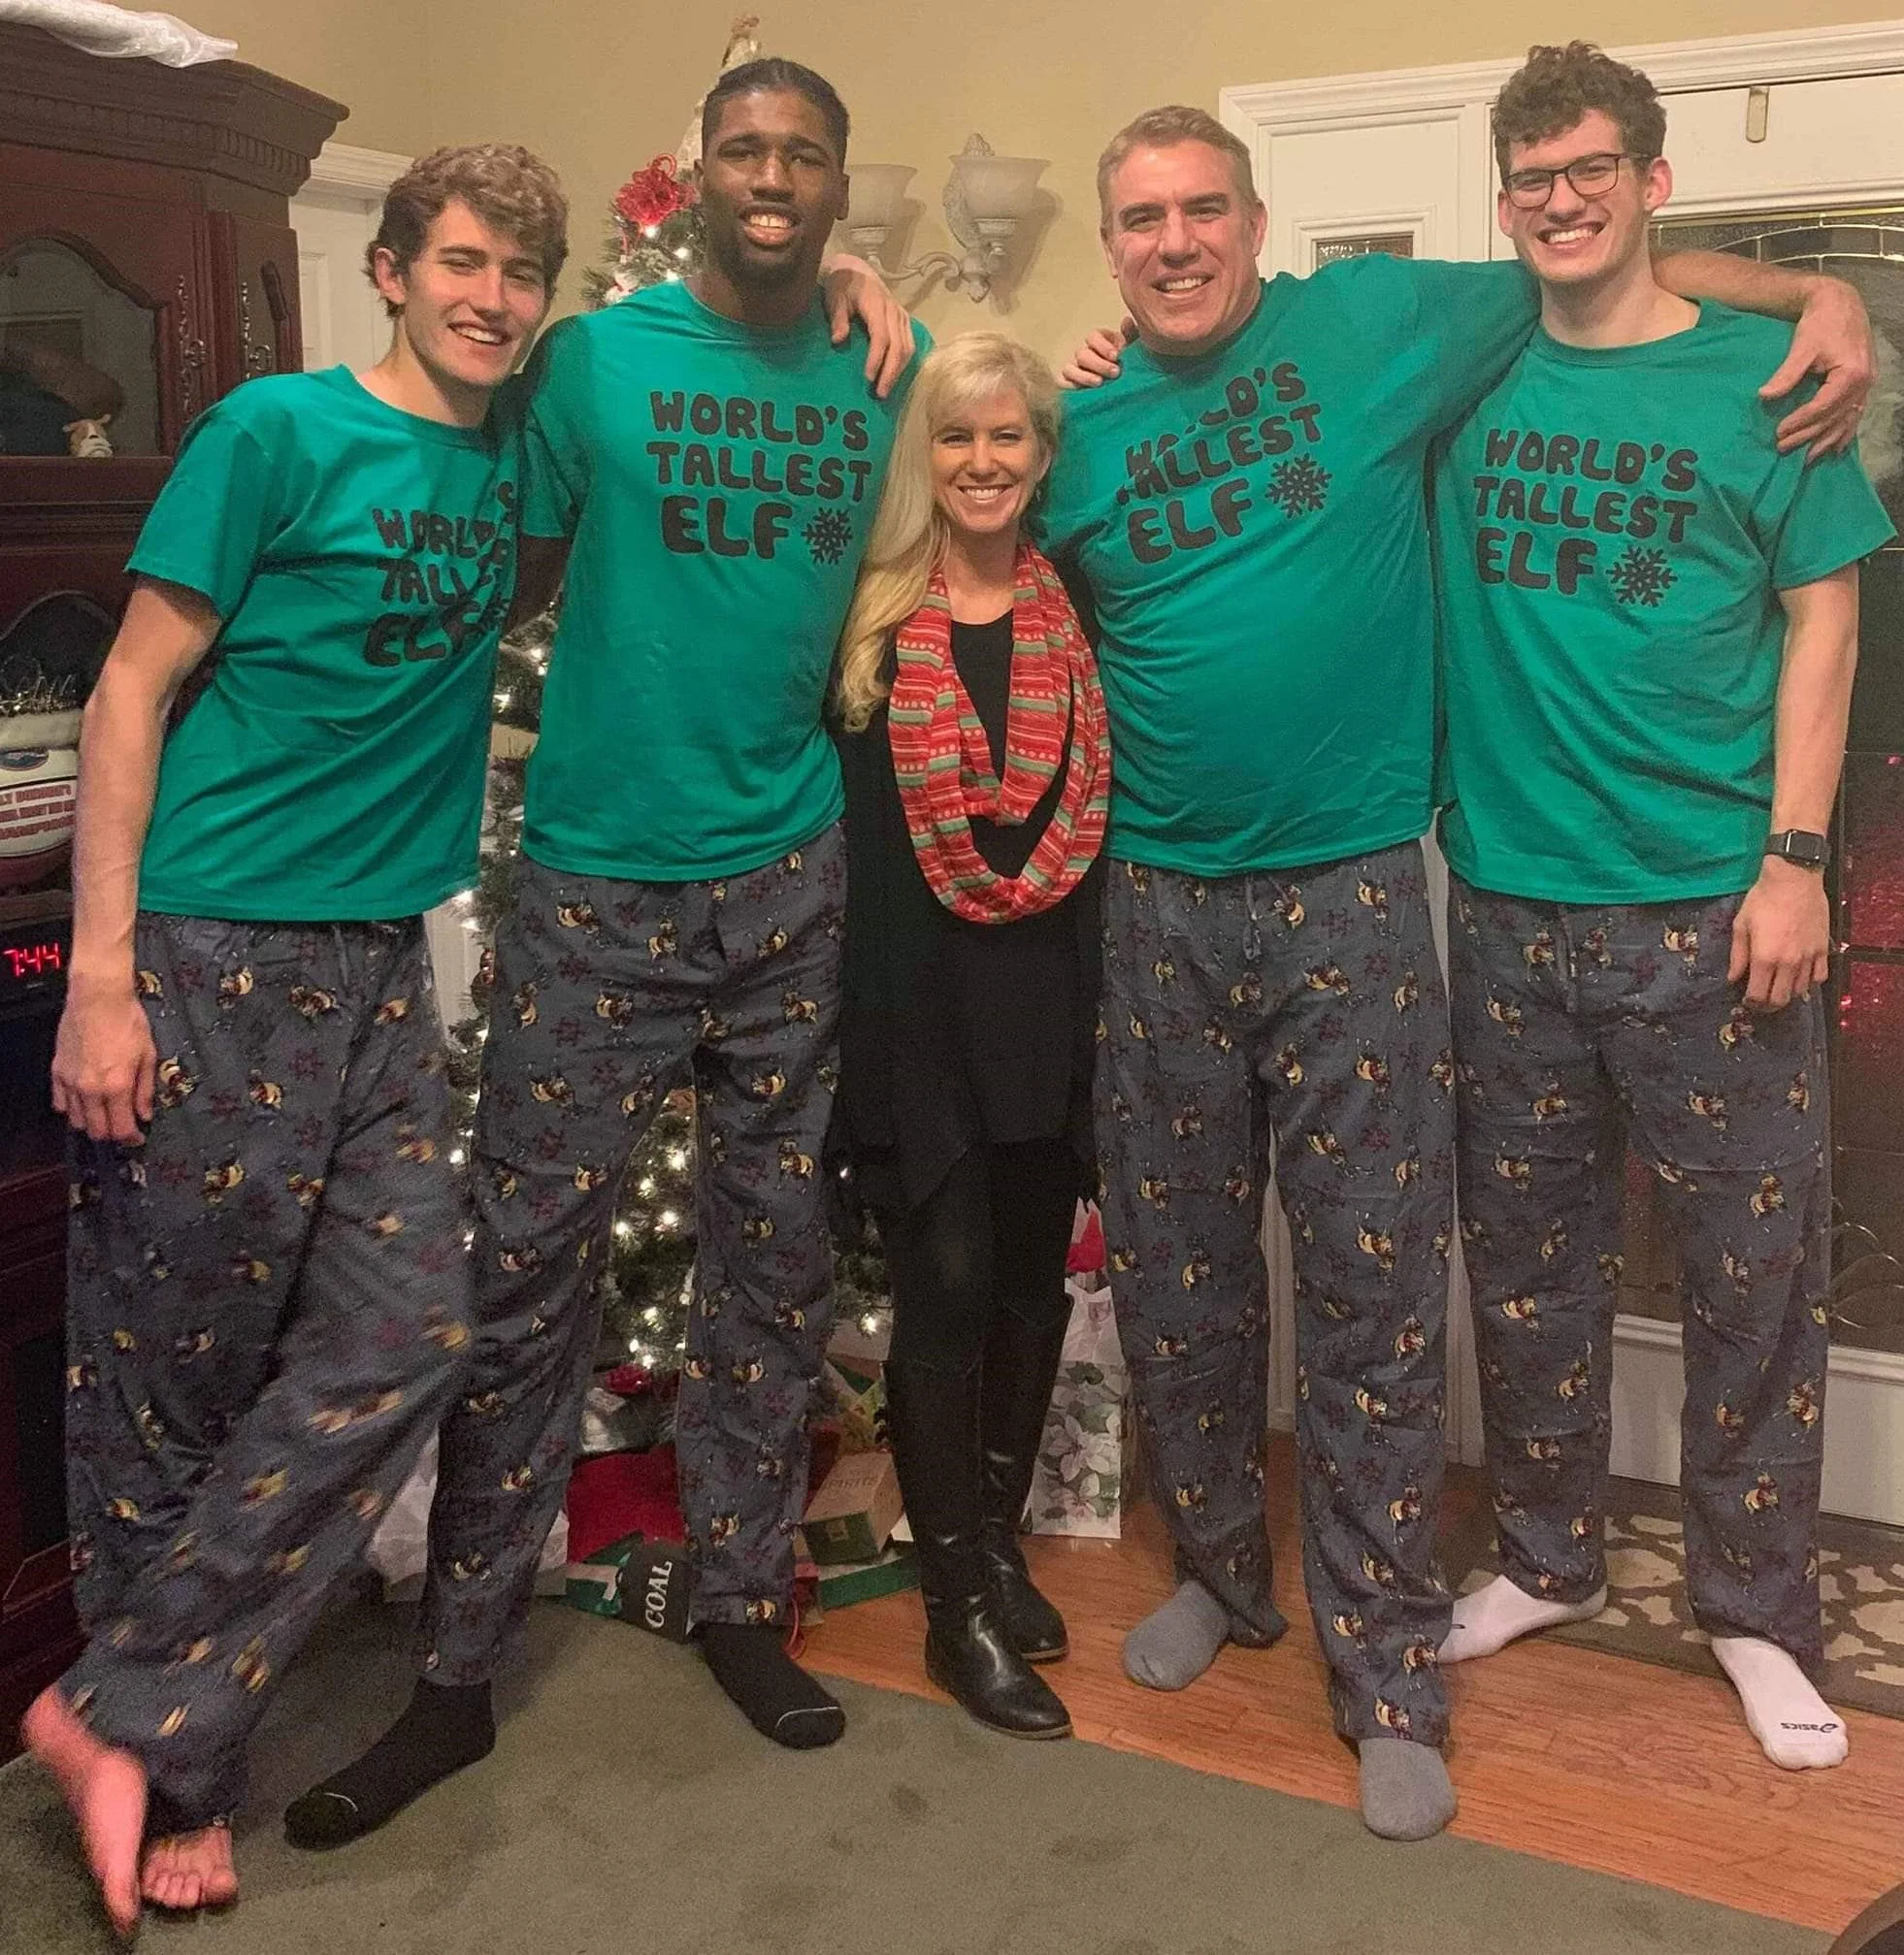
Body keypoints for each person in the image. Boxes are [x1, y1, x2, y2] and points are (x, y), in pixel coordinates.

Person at [1045, 105, 1873, 1840]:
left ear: (1259, 222)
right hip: (1197, 906)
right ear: (1108, 242)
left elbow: (1613, 265)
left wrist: (1820, 288)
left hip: (1385, 894)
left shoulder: (1381, 328)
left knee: (1385, 1288)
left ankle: (1396, 1661)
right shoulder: (1078, 427)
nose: (1176, 239)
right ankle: (1225, 1570)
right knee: (1205, 1273)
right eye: (1142, 217)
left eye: (1204, 208)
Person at [284, 59, 924, 1846]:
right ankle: (457, 1669)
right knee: (526, 1271)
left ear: (835, 177)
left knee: (770, 1258)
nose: (772, 175)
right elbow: (455, 513)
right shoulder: (591, 362)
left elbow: (993, 460)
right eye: (744, 150)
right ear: (701, 175)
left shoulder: (882, 366)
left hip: (789, 875)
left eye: (804, 150)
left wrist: (891, 303)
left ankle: (737, 1600)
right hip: (589, 889)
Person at [23, 144, 571, 1935]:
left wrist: (869, 296)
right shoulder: (273, 430)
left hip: (378, 973)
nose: (495, 297)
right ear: (396, 271)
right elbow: (127, 690)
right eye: (467, 262)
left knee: (408, 1333)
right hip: (215, 948)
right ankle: (176, 1768)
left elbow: (710, 313)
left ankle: (107, 1708)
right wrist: (104, 973)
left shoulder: (510, 443)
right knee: (174, 1367)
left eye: (523, 273)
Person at [1431, 43, 1893, 1776]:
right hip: (1507, 908)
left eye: (1590, 170)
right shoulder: (1469, 360)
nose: (1560, 200)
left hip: (1712, 911)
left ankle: (1757, 1609)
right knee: (1532, 1269)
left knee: (1748, 1280)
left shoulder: (1761, 383)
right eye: (1530, 175)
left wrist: (1794, 855)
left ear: (1651, 178)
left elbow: (1824, 626)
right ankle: (1546, 1558)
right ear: (1507, 194)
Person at [831, 332, 1108, 1739]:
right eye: (956, 438)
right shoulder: (870, 624)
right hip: (913, 1018)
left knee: (1025, 1293)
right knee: (940, 1300)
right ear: (922, 457)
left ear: (1041, 456)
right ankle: (952, 1604)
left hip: (1044, 1012)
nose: (983, 462)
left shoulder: (1078, 615)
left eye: (1008, 438)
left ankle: (994, 1542)